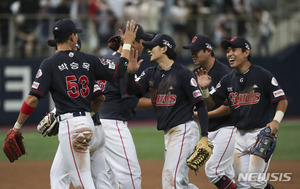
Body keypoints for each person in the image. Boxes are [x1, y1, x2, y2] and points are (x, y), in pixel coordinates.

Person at [6, 18, 137, 189]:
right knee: (63, 175)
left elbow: (32, 98)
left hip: (71, 126)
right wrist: (126, 45)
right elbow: (119, 73)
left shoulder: (49, 64)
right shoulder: (89, 60)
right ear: (72, 37)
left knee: (82, 181)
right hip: (89, 123)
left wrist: (16, 127)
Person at [196, 36, 288, 189]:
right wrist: (204, 89)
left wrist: (276, 120)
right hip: (239, 137)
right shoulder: (227, 80)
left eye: (234, 50)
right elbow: (211, 103)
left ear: (246, 52)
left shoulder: (262, 74)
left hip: (261, 134)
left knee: (255, 181)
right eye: (227, 51)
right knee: (243, 184)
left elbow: (282, 99)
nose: (229, 54)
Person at [126, 33, 209, 189]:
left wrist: (204, 136)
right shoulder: (151, 73)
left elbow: (200, 105)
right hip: (168, 133)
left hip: (184, 131)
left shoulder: (183, 73)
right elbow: (133, 91)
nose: (149, 50)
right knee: (179, 182)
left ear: (164, 49)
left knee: (171, 179)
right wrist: (131, 73)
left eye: (153, 47)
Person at [46, 37, 113, 188]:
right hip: (96, 130)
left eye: (58, 46)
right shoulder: (85, 68)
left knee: (69, 177)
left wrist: (82, 116)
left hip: (80, 131)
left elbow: (100, 98)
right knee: (100, 176)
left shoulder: (76, 69)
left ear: (74, 47)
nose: (56, 50)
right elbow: (98, 97)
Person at [97, 24, 153, 189]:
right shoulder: (123, 62)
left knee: (106, 180)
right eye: (143, 41)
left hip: (98, 123)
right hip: (113, 125)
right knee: (131, 175)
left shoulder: (106, 57)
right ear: (133, 43)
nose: (145, 46)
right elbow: (129, 101)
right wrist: (158, 103)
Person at [183, 34, 237, 189]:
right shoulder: (196, 74)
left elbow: (229, 107)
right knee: (228, 175)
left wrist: (203, 113)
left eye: (196, 51)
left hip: (228, 128)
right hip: (212, 130)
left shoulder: (224, 73)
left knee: (213, 170)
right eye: (191, 50)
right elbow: (208, 103)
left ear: (208, 51)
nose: (193, 54)